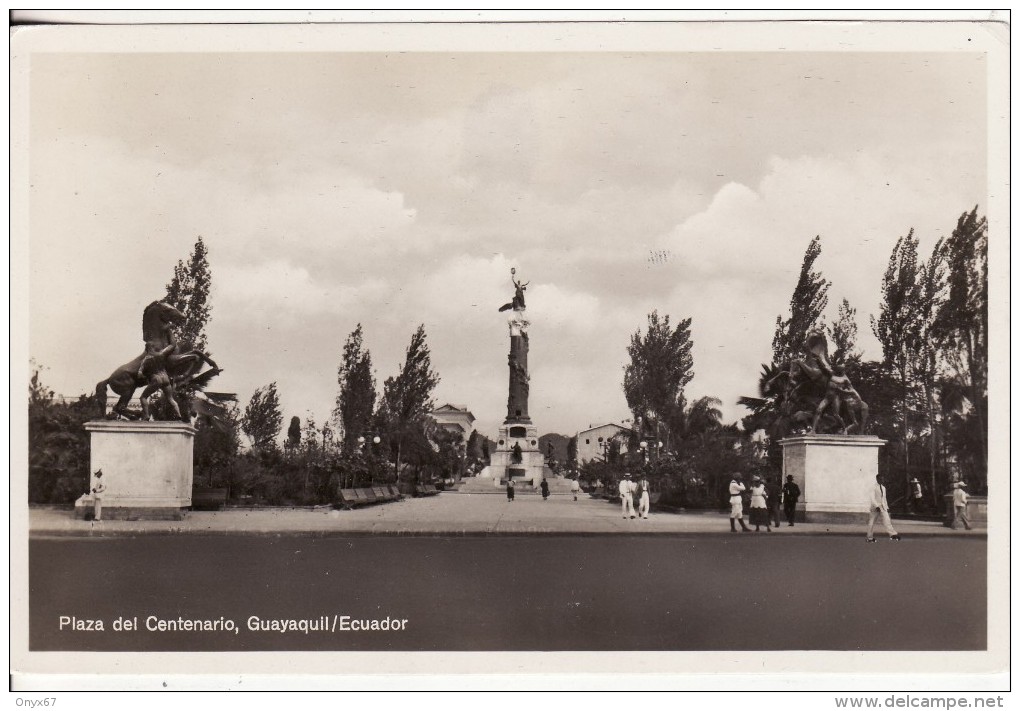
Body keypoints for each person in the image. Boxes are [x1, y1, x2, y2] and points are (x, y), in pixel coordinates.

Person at [866, 474, 901, 542]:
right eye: (880, 479)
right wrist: (876, 506)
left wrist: (886, 506)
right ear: (877, 479)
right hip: (875, 507)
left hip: (883, 507)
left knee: (887, 520)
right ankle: (869, 537)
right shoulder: (873, 487)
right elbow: (872, 498)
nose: (882, 480)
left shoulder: (883, 488)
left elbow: (884, 498)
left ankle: (893, 534)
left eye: (883, 479)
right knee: (872, 522)